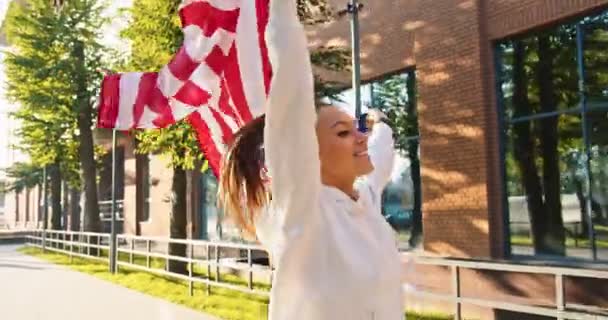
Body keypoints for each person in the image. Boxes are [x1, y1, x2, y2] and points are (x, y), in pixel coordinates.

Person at [218, 0, 403, 319]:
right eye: (343, 133)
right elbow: (292, 81)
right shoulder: (305, 214)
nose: (360, 137)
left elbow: (381, 154)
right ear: (308, 154)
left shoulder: (365, 202)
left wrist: (380, 121)